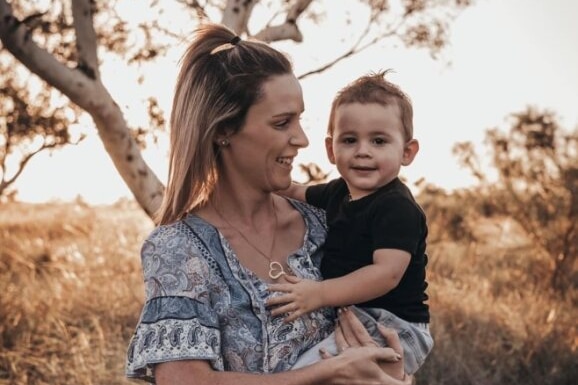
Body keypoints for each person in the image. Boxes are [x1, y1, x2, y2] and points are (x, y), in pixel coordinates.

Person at [125, 23, 413, 385]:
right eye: (282, 123)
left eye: (300, 118)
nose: (303, 138)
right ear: (223, 131)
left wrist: (395, 376)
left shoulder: (329, 220)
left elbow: (390, 323)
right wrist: (327, 372)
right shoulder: (178, 250)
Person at [268, 71, 434, 375]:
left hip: (395, 324)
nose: (362, 151)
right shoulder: (337, 192)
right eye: (349, 140)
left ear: (407, 152)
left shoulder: (396, 207)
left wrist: (319, 294)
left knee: (306, 374)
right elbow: (292, 191)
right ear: (332, 150)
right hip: (362, 314)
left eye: (379, 140)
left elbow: (386, 274)